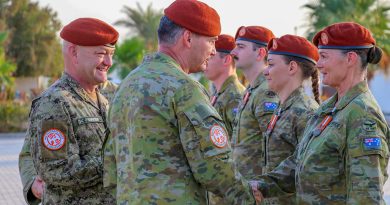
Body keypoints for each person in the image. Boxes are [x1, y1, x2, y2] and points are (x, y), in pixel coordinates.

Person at [103, 1, 256, 204]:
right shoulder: (183, 88)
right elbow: (214, 167)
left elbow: (110, 167)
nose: (213, 51)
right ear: (188, 38)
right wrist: (249, 198)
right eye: (211, 41)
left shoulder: (126, 85)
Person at [252, 22, 390, 204]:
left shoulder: (362, 115)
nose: (319, 64)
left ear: (350, 58)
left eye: (324, 56)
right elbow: (301, 162)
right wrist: (262, 185)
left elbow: (366, 196)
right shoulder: (328, 109)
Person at [28, 17, 118, 204]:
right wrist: (118, 159)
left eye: (112, 53)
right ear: (74, 52)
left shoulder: (106, 97)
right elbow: (57, 170)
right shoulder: (54, 103)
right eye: (101, 53)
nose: (109, 62)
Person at [18, 80, 118, 205]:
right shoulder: (57, 98)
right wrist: (32, 183)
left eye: (110, 58)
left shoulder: (120, 94)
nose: (107, 61)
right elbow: (29, 150)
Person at [261, 34, 320, 204]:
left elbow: (306, 170)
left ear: (292, 67)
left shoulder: (305, 112)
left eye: (271, 64)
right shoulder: (282, 107)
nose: (265, 71)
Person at [229, 26, 279, 179]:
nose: (233, 52)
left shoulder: (266, 92)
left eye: (240, 47)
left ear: (260, 53)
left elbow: (274, 149)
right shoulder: (251, 90)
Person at [204, 34, 245, 138]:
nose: (205, 61)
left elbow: (241, 144)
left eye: (211, 56)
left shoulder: (235, 96)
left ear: (227, 60)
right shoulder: (217, 93)